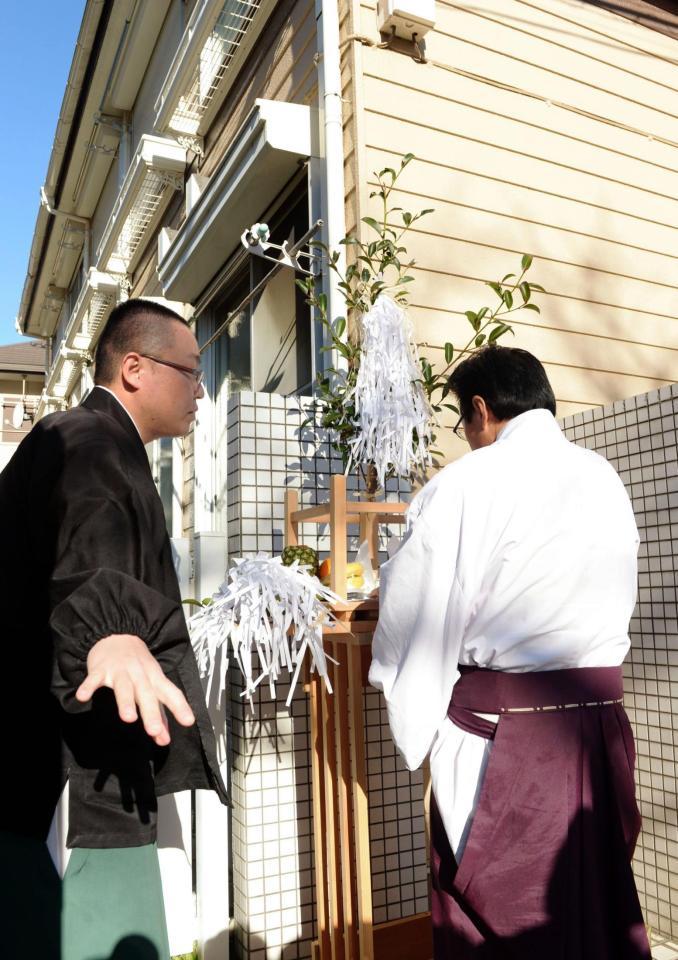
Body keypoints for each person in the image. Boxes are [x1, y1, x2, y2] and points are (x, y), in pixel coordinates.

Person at [369, 346, 650, 959]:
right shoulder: (603, 477)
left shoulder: (466, 484)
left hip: (506, 743)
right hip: (600, 734)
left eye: (464, 424)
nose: (467, 438)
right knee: (594, 912)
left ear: (481, 409)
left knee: (496, 931)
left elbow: (419, 615)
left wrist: (418, 724)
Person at [0, 299, 227, 960]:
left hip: (37, 751)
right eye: (190, 370)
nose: (200, 388)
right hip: (45, 746)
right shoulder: (91, 441)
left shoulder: (93, 440)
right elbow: (92, 532)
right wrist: (113, 630)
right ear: (134, 368)